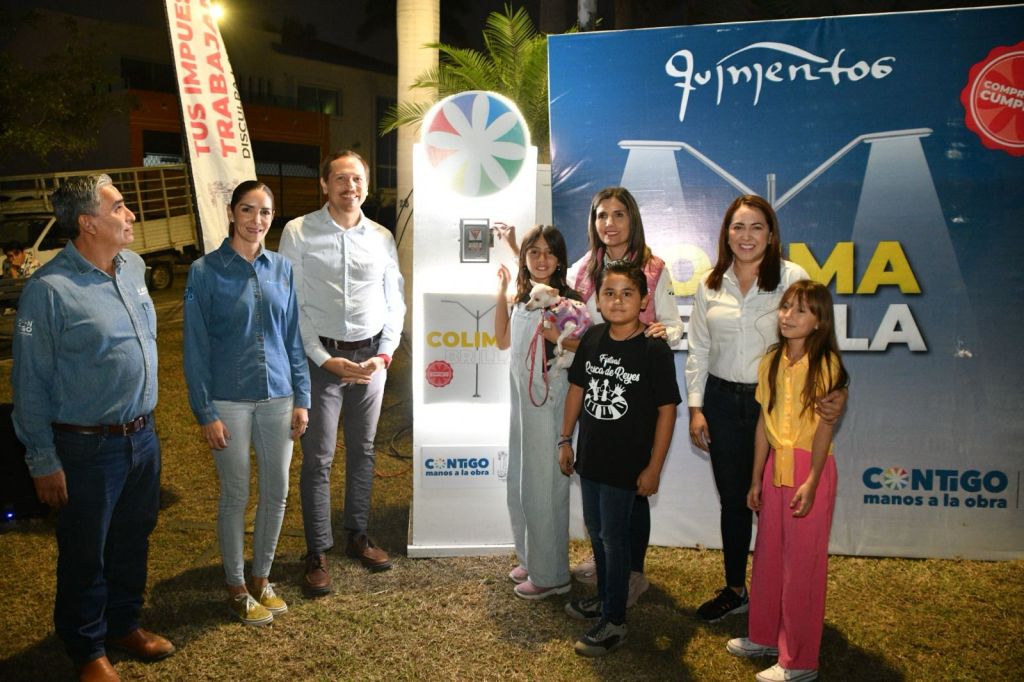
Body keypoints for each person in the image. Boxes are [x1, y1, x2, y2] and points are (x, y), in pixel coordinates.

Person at [11, 175, 172, 682]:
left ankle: (124, 624)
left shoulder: (134, 267)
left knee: (133, 538)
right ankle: (86, 649)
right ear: (88, 223)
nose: (130, 215)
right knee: (86, 551)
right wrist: (42, 459)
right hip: (85, 448)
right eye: (119, 207)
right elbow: (30, 383)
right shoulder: (48, 291)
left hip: (141, 438)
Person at [685, 195, 845, 623]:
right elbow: (698, 348)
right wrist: (696, 408)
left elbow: (819, 338)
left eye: (757, 226)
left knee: (779, 504)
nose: (746, 236)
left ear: (771, 234)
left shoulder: (792, 277)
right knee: (735, 501)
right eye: (738, 227)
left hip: (779, 404)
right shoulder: (709, 284)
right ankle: (736, 590)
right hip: (721, 402)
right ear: (726, 234)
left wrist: (839, 389)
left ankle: (782, 597)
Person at [183, 181, 311, 625]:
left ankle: (262, 578)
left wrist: (302, 397)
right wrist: (206, 411)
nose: (257, 220)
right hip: (229, 400)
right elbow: (195, 347)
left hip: (279, 397)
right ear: (231, 212)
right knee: (236, 494)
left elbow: (292, 337)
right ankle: (236, 586)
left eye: (266, 212)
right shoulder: (204, 271)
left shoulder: (282, 268)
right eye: (248, 210)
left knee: (277, 492)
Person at [279, 150, 405, 594]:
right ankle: (316, 550)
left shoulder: (382, 237)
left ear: (366, 186)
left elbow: (395, 301)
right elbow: (292, 304)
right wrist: (322, 358)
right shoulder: (298, 232)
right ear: (324, 184)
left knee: (364, 450)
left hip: (370, 362)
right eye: (341, 179)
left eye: (357, 179)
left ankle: (357, 534)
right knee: (318, 458)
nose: (350, 187)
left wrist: (383, 356)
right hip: (322, 363)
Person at [726, 281, 849, 682]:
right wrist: (755, 478)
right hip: (773, 467)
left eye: (800, 310)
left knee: (802, 567)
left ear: (819, 321)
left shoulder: (826, 365)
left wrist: (812, 480)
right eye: (785, 307)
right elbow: (764, 422)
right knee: (768, 555)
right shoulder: (771, 361)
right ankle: (764, 636)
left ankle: (799, 660)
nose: (788, 316)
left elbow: (825, 428)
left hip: (810, 468)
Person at [566, 187, 682, 605]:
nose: (609, 224)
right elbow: (574, 327)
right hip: (595, 387)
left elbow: (674, 324)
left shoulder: (654, 268)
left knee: (633, 486)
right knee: (599, 485)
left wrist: (662, 331)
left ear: (632, 219)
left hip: (635, 395)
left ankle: (632, 572)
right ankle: (606, 562)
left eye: (618, 215)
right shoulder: (582, 269)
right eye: (602, 215)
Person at [559, 261, 681, 657]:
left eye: (627, 293)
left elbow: (667, 411)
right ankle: (605, 598)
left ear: (644, 300)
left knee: (615, 539)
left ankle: (614, 620)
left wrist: (654, 468)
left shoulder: (653, 349)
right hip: (591, 459)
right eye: (609, 293)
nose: (617, 301)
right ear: (597, 300)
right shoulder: (593, 337)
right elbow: (576, 390)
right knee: (597, 533)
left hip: (626, 466)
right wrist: (565, 439)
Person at [495, 225, 579, 600]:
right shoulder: (524, 297)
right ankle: (531, 558)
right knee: (521, 480)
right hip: (521, 399)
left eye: (549, 252)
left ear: (560, 258)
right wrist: (501, 291)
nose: (542, 259)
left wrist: (556, 336)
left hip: (549, 398)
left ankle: (552, 574)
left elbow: (586, 346)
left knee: (545, 485)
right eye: (534, 252)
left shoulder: (568, 302)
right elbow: (502, 340)